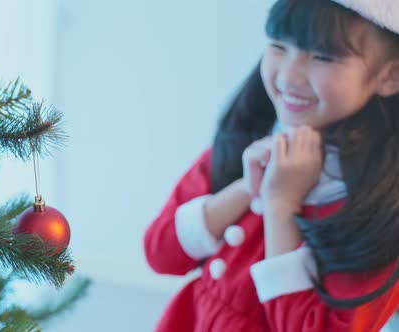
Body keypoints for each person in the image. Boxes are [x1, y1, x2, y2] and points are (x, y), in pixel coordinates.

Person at [143, 0, 399, 331]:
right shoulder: (249, 138)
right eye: (279, 46)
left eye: (322, 56)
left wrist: (281, 206)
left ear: (390, 75)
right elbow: (159, 254)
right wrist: (250, 188)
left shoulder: (379, 206)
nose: (290, 75)